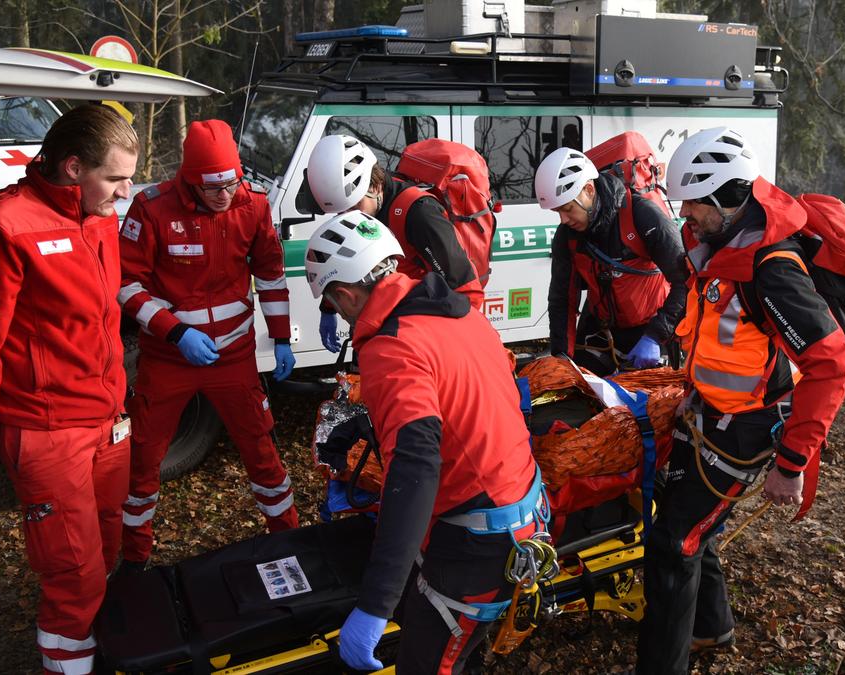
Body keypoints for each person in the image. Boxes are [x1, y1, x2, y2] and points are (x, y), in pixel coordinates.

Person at [635, 127, 845, 673]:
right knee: (691, 524)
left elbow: (830, 368)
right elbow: (718, 336)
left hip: (751, 426)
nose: (684, 214)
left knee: (673, 543)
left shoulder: (772, 269)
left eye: (694, 203)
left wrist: (793, 463)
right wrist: (693, 392)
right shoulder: (720, 247)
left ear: (728, 198)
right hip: (713, 413)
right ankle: (711, 627)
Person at [0, 104, 139, 675]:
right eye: (116, 178)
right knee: (71, 572)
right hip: (47, 430)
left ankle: (91, 649)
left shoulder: (98, 215)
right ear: (74, 167)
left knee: (106, 549)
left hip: (108, 422)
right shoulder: (3, 226)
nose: (126, 193)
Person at [303, 212, 543, 674]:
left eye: (333, 306)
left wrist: (376, 603)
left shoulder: (392, 347)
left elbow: (414, 471)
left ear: (347, 295)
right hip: (518, 503)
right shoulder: (453, 309)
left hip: (480, 537)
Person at [116, 119, 298, 569]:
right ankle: (133, 560)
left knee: (261, 449)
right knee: (143, 459)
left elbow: (271, 276)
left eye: (231, 182)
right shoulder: (152, 208)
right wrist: (176, 331)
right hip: (168, 358)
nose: (225, 195)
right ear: (189, 182)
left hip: (234, 357)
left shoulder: (251, 204)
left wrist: (281, 339)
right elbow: (124, 284)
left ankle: (290, 540)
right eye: (213, 187)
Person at [306, 134, 484, 352]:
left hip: (422, 330)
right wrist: (329, 307)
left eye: (353, 207)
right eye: (340, 211)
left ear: (376, 185)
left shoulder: (419, 214)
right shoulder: (359, 205)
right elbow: (343, 265)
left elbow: (466, 290)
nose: (347, 216)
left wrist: (455, 346)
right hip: (381, 322)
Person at [534, 147, 687, 375]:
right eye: (557, 212)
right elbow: (562, 299)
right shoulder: (567, 236)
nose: (563, 220)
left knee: (650, 406)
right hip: (602, 329)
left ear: (588, 190)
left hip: (651, 331)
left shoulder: (643, 216)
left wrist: (656, 336)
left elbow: (685, 281)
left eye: (567, 209)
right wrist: (561, 356)